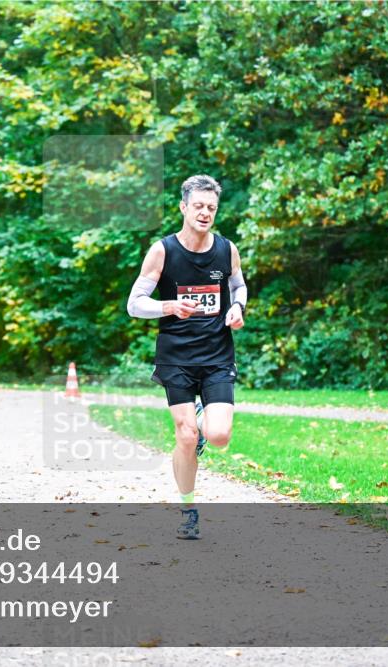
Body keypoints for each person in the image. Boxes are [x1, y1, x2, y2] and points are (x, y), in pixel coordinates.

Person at [126, 174, 247, 539]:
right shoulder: (163, 250)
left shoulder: (227, 250)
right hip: (176, 357)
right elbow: (134, 304)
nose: (205, 213)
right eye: (198, 206)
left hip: (216, 355)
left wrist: (237, 306)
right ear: (183, 207)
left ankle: (201, 421)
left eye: (211, 207)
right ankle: (189, 509)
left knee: (220, 435)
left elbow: (237, 284)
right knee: (185, 436)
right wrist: (169, 306)